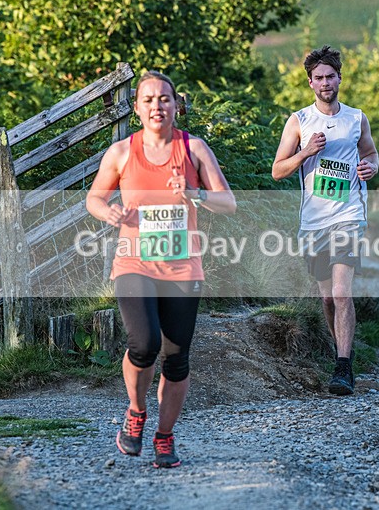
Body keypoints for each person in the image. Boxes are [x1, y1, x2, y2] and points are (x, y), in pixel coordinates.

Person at [86, 70, 236, 468]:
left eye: (164, 99)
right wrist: (110, 212)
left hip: (183, 269)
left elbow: (229, 202)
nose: (157, 106)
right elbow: (94, 199)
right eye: (149, 99)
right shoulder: (121, 152)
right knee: (144, 343)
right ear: (137, 108)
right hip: (133, 263)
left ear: (176, 105)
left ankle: (164, 436)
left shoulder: (195, 149)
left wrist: (195, 193)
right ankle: (136, 414)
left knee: (177, 358)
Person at [272, 45, 379, 395]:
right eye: (318, 78)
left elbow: (370, 153)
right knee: (327, 299)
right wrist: (305, 152)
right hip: (314, 221)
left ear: (339, 78)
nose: (325, 83)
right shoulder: (299, 121)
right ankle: (339, 355)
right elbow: (277, 171)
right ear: (310, 83)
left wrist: (371, 167)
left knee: (341, 292)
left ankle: (344, 366)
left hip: (348, 214)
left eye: (330, 76)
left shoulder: (355, 117)